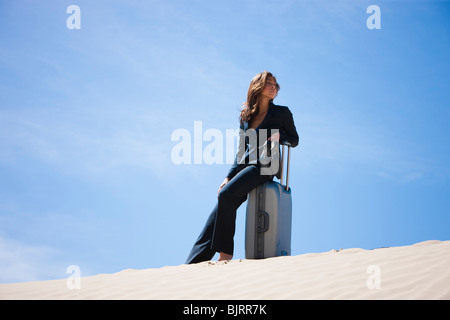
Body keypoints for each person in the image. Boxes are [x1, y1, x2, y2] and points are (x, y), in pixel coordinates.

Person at [185, 71, 299, 264]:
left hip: (266, 166)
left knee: (226, 196)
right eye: (269, 83)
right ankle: (193, 262)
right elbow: (240, 152)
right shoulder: (245, 118)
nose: (274, 87)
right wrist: (228, 177)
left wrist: (281, 136)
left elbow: (294, 139)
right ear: (258, 88)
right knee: (220, 207)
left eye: (275, 84)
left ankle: (225, 254)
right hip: (246, 167)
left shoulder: (282, 113)